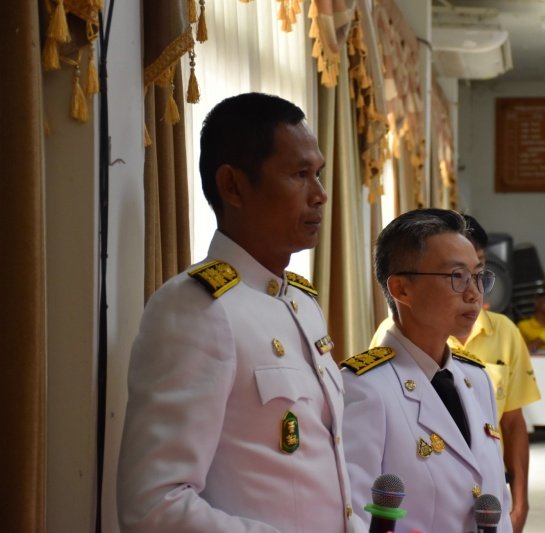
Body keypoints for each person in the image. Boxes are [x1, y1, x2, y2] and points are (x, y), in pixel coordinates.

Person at [117, 93, 364, 532]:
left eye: (319, 174)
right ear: (233, 186)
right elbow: (154, 505)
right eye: (299, 175)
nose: (321, 195)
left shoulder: (301, 304)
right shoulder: (197, 309)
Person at [342, 208, 512, 533]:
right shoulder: (365, 389)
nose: (474, 293)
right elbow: (356, 518)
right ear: (402, 289)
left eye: (478, 275)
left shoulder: (475, 379)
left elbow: (496, 504)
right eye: (457, 277)